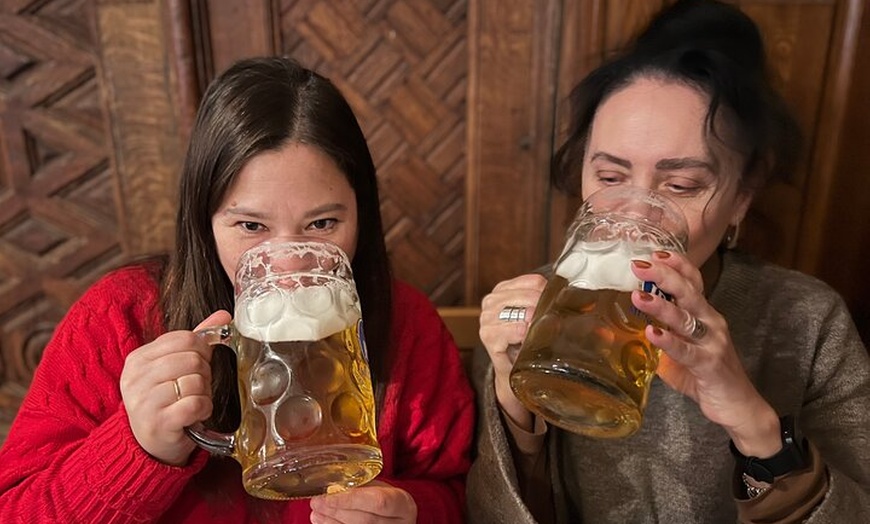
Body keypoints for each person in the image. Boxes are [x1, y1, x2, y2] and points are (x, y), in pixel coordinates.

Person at [0, 56, 475, 523]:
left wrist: (409, 512)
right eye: (251, 225)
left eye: (323, 223)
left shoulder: (407, 323)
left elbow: (456, 491)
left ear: (361, 213)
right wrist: (138, 447)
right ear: (204, 222)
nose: (287, 265)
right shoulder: (118, 317)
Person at [466, 1, 870, 522]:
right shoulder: (531, 312)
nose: (637, 214)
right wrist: (515, 412)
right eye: (610, 178)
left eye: (680, 186)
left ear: (743, 194)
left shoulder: (809, 321)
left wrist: (752, 422)